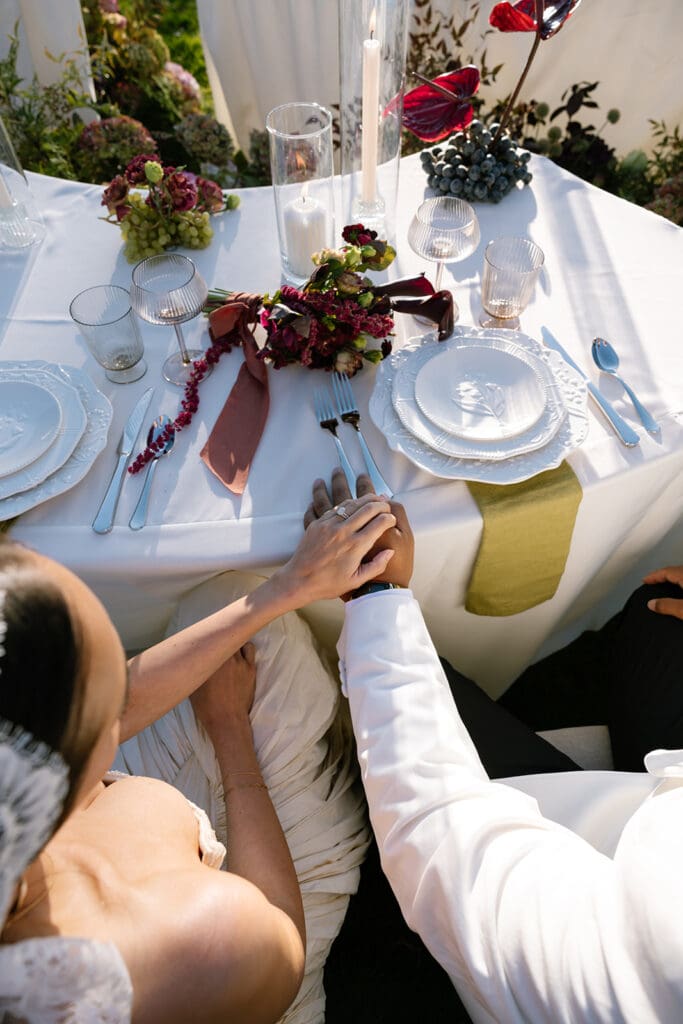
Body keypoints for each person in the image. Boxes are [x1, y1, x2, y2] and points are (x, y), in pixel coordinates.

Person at [0, 491, 397, 1024]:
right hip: (265, 955)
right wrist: (231, 736)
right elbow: (285, 941)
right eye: (112, 682)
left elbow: (118, 710)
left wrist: (290, 586)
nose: (126, 684)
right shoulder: (206, 939)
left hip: (171, 854)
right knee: (263, 664)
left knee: (233, 604)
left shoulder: (21, 797)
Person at [310, 470, 683, 1024]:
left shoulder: (621, 990)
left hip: (565, 858)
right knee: (658, 611)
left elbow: (443, 843)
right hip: (654, 802)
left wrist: (375, 600)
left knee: (401, 686)